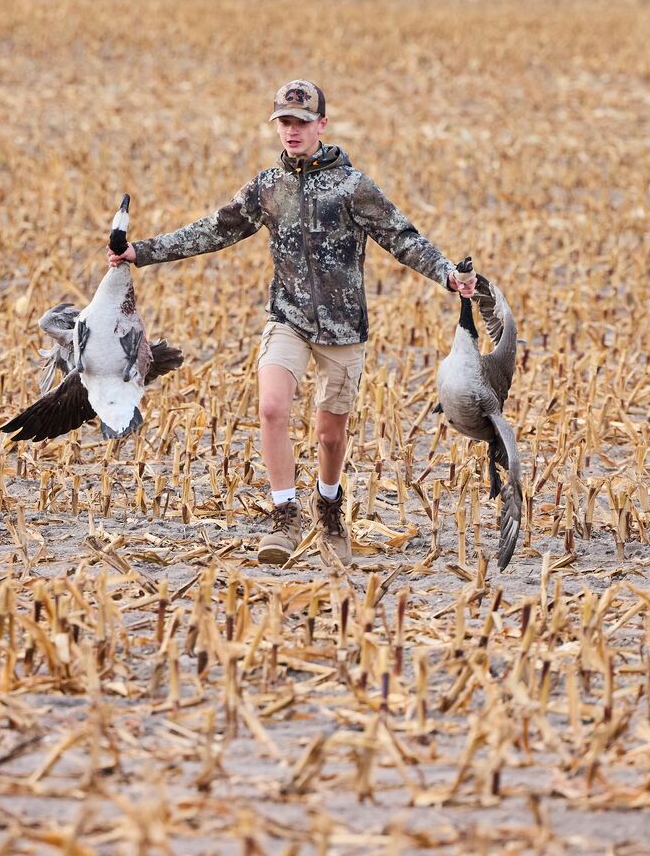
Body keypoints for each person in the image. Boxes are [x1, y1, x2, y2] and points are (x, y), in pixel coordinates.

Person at [109, 79, 474, 566]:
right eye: (284, 122)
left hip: (344, 331)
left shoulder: (353, 186)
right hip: (288, 319)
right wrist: (141, 252)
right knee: (272, 408)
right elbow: (214, 230)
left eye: (302, 122)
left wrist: (449, 275)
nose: (292, 130)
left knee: (329, 436)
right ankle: (284, 515)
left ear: (321, 124)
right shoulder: (267, 187)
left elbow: (403, 238)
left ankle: (328, 506)